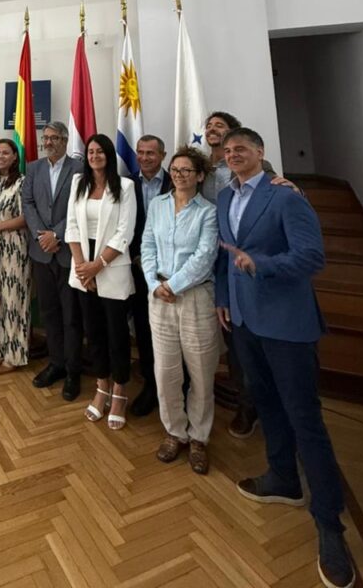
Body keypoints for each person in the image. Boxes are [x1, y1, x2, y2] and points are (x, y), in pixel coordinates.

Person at [216, 128, 354, 588]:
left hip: (286, 325)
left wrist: (263, 266)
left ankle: (330, 525)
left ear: (260, 153)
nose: (232, 154)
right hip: (244, 322)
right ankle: (282, 477)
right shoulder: (223, 197)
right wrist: (224, 296)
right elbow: (225, 256)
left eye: (241, 149)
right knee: (267, 404)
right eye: (227, 150)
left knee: (305, 421)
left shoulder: (286, 196)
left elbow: (312, 257)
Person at [201, 110, 289, 439]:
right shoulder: (202, 168)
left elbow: (280, 196)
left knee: (253, 347)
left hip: (249, 269)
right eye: (208, 126)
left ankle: (256, 406)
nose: (212, 130)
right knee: (234, 344)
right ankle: (246, 401)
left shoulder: (260, 172)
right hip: (212, 267)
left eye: (219, 127)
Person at [141, 146, 220, 474]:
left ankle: (199, 437)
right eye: (175, 169)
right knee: (166, 371)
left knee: (201, 371)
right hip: (158, 297)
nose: (179, 175)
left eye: (187, 170)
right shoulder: (157, 205)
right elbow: (146, 246)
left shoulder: (209, 212)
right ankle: (175, 431)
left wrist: (173, 286)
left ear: (200, 176)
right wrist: (153, 284)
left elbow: (205, 257)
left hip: (194, 298)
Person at [66, 134, 136, 430]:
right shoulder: (78, 183)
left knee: (117, 336)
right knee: (93, 334)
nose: (95, 155)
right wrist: (83, 268)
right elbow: (71, 225)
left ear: (108, 154)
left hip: (112, 268)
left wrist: (98, 265)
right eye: (90, 151)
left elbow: (125, 232)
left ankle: (119, 392)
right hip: (83, 270)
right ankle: (102, 387)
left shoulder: (126, 187)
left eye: (100, 151)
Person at [22, 121, 83, 401]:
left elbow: (79, 208)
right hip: (40, 252)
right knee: (48, 313)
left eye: (55, 137)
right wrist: (41, 235)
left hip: (68, 251)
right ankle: (56, 363)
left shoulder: (80, 169)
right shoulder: (34, 168)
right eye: (45, 137)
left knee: (71, 316)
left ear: (65, 140)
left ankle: (73, 371)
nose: (49, 142)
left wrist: (56, 235)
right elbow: (28, 203)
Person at [127, 134, 172, 416]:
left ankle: (176, 387)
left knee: (171, 333)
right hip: (137, 269)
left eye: (151, 153)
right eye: (140, 152)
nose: (144, 158)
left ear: (163, 155)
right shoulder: (126, 184)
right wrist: (136, 258)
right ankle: (151, 385)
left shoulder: (178, 180)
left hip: (171, 273)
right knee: (144, 330)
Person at [0, 139, 30, 373]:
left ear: (14, 157)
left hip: (14, 246)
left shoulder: (22, 182)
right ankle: (1, 351)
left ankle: (15, 356)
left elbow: (26, 219)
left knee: (14, 301)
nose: (0, 156)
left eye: (5, 153)